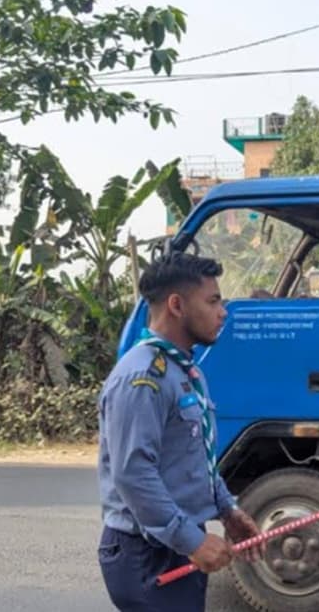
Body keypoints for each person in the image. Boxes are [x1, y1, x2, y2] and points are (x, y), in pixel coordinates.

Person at [96, 251, 262, 611]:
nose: (223, 312)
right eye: (213, 301)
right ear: (177, 305)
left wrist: (228, 510)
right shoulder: (142, 378)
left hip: (174, 542)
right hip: (146, 552)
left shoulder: (183, 371)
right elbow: (133, 473)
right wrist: (191, 541)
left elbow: (196, 456)